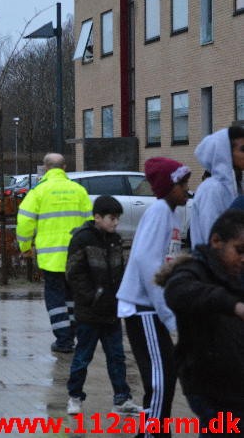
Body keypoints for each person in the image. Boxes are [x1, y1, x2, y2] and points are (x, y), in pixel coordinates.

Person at [116, 156, 191, 438]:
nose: (187, 189)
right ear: (167, 187)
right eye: (182, 184)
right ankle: (154, 434)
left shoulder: (172, 213)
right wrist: (164, 309)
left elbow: (165, 259)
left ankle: (151, 431)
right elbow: (147, 261)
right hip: (144, 307)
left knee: (162, 372)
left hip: (153, 307)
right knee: (161, 378)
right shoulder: (159, 211)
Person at [157, 208, 244, 437]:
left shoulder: (236, 275)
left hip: (235, 388)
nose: (243, 258)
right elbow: (178, 292)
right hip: (208, 387)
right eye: (239, 250)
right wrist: (233, 305)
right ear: (217, 241)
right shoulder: (193, 271)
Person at [65, 195, 143, 416]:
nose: (116, 222)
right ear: (97, 217)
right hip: (89, 312)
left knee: (117, 357)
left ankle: (122, 399)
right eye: (112, 218)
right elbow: (73, 273)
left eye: (118, 218)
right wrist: (91, 296)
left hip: (111, 311)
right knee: (82, 357)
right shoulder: (82, 239)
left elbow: (120, 272)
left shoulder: (115, 240)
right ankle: (75, 396)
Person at [17, 153, 93, 353]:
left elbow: (24, 222)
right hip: (77, 256)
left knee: (55, 298)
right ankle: (72, 335)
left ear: (45, 168)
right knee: (72, 297)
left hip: (51, 258)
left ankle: (63, 340)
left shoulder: (39, 192)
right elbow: (90, 222)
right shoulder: (79, 191)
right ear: (65, 167)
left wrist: (25, 247)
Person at [190, 126, 244, 247]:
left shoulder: (235, 186)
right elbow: (211, 233)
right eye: (243, 149)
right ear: (226, 153)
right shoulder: (211, 189)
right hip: (212, 263)